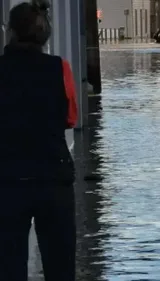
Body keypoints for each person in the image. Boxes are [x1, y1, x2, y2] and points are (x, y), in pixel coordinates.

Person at [0, 1, 78, 281]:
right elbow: (71, 118)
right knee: (60, 266)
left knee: (8, 265)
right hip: (53, 177)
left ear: (10, 32)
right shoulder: (61, 68)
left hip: (7, 180)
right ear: (45, 35)